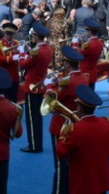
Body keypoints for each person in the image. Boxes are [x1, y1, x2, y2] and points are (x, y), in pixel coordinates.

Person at [46, 45, 91, 194]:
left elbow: (52, 101)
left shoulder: (67, 82)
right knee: (71, 164)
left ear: (66, 63)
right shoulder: (84, 78)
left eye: (63, 62)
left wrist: (50, 86)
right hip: (76, 124)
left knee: (60, 166)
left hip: (61, 125)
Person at [54, 85, 109, 194]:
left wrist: (64, 131)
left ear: (79, 107)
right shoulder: (107, 123)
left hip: (82, 184)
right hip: (102, 182)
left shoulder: (74, 130)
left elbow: (60, 152)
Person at [17, 23, 52, 153]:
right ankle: (38, 143)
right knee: (38, 117)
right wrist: (28, 51)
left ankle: (34, 145)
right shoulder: (48, 48)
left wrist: (22, 52)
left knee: (32, 118)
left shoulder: (36, 51)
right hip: (40, 84)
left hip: (32, 85)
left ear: (36, 36)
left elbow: (23, 63)